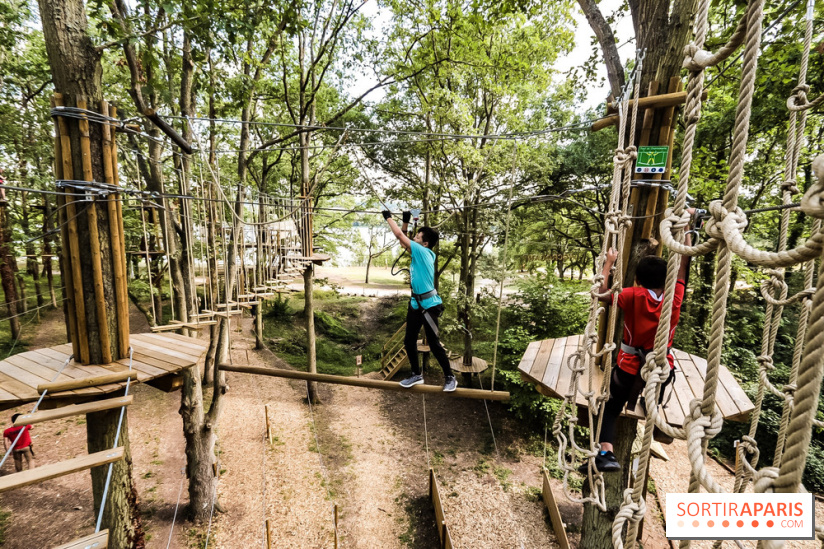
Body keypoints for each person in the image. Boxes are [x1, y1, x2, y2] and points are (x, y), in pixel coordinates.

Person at [589, 225, 693, 472]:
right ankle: (651, 404)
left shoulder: (632, 295)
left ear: (637, 280)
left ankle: (606, 454)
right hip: (660, 369)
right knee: (656, 389)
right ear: (667, 280)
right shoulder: (674, 296)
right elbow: (684, 262)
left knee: (609, 408)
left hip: (628, 367)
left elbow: (600, 294)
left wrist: (608, 264)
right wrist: (686, 229)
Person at [382, 209, 457, 392]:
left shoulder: (423, 252)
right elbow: (403, 242)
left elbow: (398, 235)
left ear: (425, 243)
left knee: (433, 343)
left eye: (417, 236)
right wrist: (406, 221)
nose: (413, 238)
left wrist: (388, 218)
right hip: (416, 304)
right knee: (409, 341)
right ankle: (416, 374)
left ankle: (450, 377)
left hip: (429, 306)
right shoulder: (419, 251)